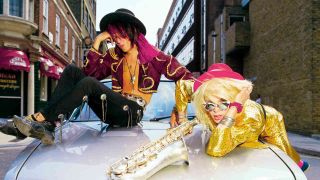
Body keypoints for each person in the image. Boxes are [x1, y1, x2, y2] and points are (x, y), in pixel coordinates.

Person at [0, 8, 194, 144]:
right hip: (109, 110)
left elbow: (185, 77)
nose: (119, 41)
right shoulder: (114, 57)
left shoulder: (156, 57)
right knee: (71, 71)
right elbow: (89, 74)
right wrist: (98, 41)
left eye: (122, 35)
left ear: (132, 32)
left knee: (89, 84)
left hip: (132, 113)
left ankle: (40, 118)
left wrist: (179, 108)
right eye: (114, 37)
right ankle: (50, 123)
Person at [192, 63, 309, 172]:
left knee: (284, 150)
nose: (215, 110)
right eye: (210, 104)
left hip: (269, 118)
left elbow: (216, 149)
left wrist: (235, 106)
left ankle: (299, 165)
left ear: (236, 98)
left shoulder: (249, 119)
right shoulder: (211, 114)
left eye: (223, 103)